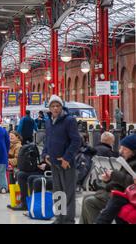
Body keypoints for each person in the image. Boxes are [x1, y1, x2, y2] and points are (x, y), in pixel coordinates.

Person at [42, 95, 82, 224]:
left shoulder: (69, 120)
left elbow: (76, 141)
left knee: (68, 192)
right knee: (58, 191)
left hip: (66, 163)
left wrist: (66, 158)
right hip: (53, 162)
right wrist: (45, 154)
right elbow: (47, 140)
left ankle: (69, 220)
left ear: (61, 107)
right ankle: (60, 217)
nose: (55, 108)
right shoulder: (48, 121)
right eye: (52, 106)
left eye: (57, 106)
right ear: (49, 108)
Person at [80, 134, 136, 224]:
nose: (121, 151)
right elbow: (122, 181)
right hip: (118, 193)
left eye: (125, 149)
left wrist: (114, 175)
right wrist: (108, 180)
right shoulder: (128, 161)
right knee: (87, 198)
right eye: (121, 148)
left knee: (89, 201)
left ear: (133, 151)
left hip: (123, 196)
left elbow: (131, 183)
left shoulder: (132, 163)